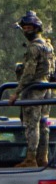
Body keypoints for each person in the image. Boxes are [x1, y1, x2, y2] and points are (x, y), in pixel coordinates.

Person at [10, 11, 55, 168]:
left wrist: (16, 92)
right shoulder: (48, 46)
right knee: (43, 124)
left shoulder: (34, 48)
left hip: (35, 89)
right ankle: (42, 157)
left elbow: (29, 73)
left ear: (36, 28)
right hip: (46, 88)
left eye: (29, 27)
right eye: (25, 27)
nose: (26, 30)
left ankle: (31, 158)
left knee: (33, 124)